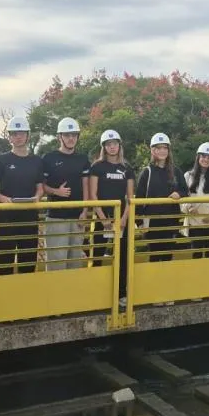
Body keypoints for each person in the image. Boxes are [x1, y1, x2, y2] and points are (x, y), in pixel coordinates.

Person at [0, 115, 45, 274]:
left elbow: (40, 188)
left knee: (27, 265)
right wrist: (4, 199)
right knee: (5, 265)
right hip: (7, 218)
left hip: (29, 218)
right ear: (9, 137)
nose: (18, 137)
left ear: (27, 135)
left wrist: (37, 197)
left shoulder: (37, 161)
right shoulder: (1, 160)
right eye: (14, 133)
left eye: (21, 133)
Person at [88, 129, 135, 303]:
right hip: (102, 218)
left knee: (123, 256)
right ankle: (94, 293)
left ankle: (121, 293)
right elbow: (93, 195)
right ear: (104, 147)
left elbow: (130, 197)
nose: (112, 147)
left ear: (119, 145)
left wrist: (123, 219)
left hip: (122, 218)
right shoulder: (97, 167)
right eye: (108, 144)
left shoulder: (127, 168)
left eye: (115, 143)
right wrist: (103, 219)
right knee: (97, 254)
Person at [42, 117, 91, 270]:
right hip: (56, 217)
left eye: (74, 135)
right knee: (56, 263)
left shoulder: (83, 159)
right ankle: (54, 294)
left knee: (75, 263)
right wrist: (56, 191)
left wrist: (85, 211)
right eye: (67, 135)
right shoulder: (49, 158)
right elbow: (41, 186)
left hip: (77, 218)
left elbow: (86, 187)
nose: (71, 139)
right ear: (59, 137)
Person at [135, 133, 188, 262]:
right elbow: (139, 199)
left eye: (165, 148)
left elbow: (185, 190)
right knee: (154, 255)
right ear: (152, 150)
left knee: (168, 255)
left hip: (171, 221)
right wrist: (140, 223)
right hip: (152, 223)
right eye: (158, 148)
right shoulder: (147, 172)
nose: (162, 151)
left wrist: (179, 194)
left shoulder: (176, 171)